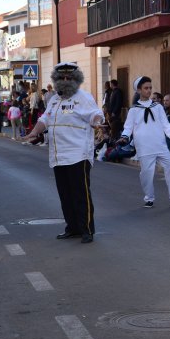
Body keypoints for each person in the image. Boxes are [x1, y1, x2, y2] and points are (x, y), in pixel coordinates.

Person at [25, 62, 105, 244]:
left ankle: (87, 230)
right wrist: (34, 132)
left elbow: (95, 114)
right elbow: (45, 119)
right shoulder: (54, 100)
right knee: (65, 195)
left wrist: (98, 122)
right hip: (58, 155)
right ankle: (73, 227)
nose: (66, 81)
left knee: (80, 194)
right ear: (56, 80)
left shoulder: (83, 97)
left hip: (78, 154)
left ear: (76, 79)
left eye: (70, 78)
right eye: (62, 78)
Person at [118, 76, 170, 208]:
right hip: (144, 147)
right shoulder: (133, 110)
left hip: (160, 146)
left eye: (150, 88)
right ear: (139, 90)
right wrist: (124, 137)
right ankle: (149, 198)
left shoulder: (157, 107)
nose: (149, 90)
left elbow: (166, 126)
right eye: (146, 88)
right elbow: (128, 127)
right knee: (147, 173)